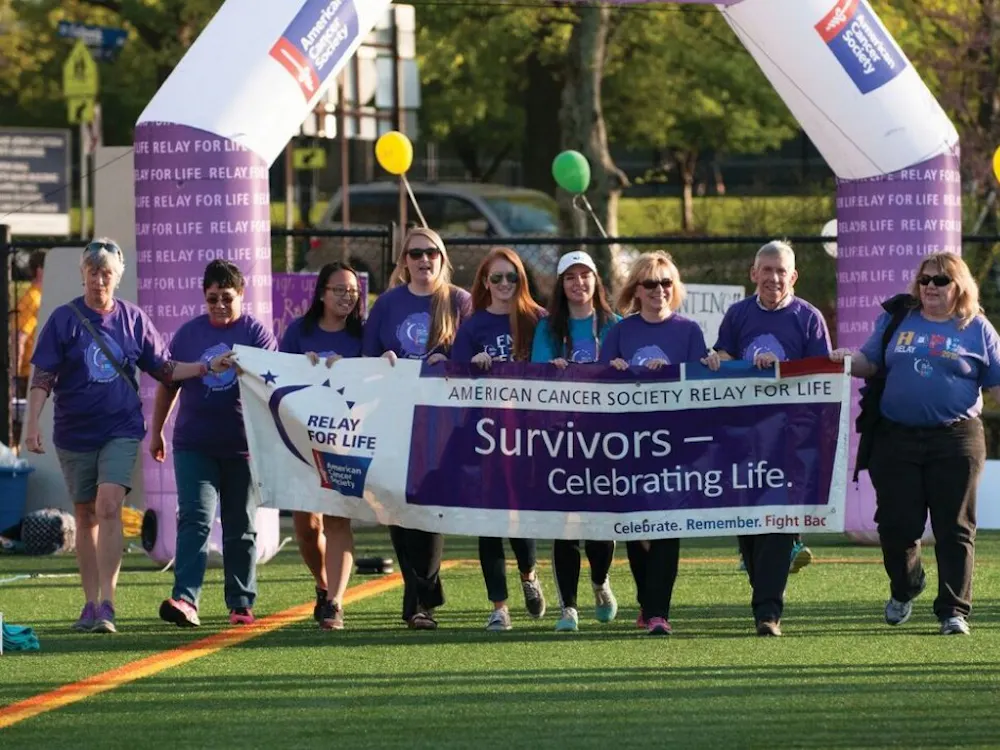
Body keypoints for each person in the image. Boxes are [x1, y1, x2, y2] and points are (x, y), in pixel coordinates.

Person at [24, 239, 232, 634]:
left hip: (119, 429)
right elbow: (43, 378)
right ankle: (88, 604)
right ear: (83, 274)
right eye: (93, 271)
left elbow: (165, 369)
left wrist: (206, 367)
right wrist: (32, 422)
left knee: (108, 506)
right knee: (84, 514)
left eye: (106, 273)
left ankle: (108, 604)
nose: (99, 280)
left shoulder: (132, 320)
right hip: (73, 432)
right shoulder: (64, 320)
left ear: (116, 278)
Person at [831, 252, 1000, 636]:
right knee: (895, 525)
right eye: (925, 280)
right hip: (896, 437)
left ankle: (953, 610)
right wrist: (845, 360)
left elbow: (996, 384)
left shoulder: (977, 328)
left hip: (956, 438)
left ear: (959, 286)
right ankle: (906, 586)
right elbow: (870, 362)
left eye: (940, 280)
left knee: (955, 527)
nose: (930, 287)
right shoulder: (898, 318)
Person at [704, 240, 831, 637]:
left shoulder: (808, 318)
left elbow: (821, 375)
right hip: (744, 436)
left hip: (790, 438)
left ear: (793, 277)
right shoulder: (739, 314)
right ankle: (766, 583)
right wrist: (717, 359)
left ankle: (768, 612)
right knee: (749, 524)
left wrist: (784, 369)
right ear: (753, 273)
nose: (774, 278)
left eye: (781, 271)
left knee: (774, 520)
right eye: (767, 269)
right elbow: (724, 355)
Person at [153, 260, 278, 628]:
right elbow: (168, 382)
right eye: (212, 299)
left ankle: (240, 603)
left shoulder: (257, 334)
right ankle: (185, 599)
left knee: (241, 525)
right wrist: (157, 429)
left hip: (243, 447)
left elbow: (274, 387)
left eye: (227, 297)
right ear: (203, 298)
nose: (220, 305)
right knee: (195, 519)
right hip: (194, 444)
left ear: (242, 295)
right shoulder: (188, 334)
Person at [362, 227, 472, 629]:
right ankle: (426, 592)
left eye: (432, 253)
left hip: (444, 424)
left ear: (443, 260)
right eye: (416, 253)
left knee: (428, 508)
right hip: (394, 417)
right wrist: (381, 360)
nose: (424, 260)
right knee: (396, 505)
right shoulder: (387, 304)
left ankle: (418, 603)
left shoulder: (460, 302)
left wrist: (454, 362)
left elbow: (478, 356)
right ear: (404, 261)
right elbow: (365, 359)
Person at [600, 251, 708, 636]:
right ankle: (647, 603)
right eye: (650, 284)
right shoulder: (619, 332)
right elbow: (597, 388)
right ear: (637, 290)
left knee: (666, 526)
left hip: (674, 446)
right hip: (628, 445)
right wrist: (612, 373)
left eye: (665, 282)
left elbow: (700, 387)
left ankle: (659, 610)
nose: (658, 290)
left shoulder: (690, 331)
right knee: (637, 529)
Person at [452, 247, 547, 631]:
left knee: (518, 517)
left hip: (528, 434)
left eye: (512, 277)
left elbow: (554, 372)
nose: (505, 284)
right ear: (484, 282)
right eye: (497, 278)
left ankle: (528, 575)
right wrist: (472, 367)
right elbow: (457, 376)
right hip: (484, 433)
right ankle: (499, 606)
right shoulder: (473, 326)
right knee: (488, 519)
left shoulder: (539, 320)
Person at [530, 250, 621, 633]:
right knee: (565, 525)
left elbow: (628, 377)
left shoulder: (613, 325)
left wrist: (619, 369)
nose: (578, 283)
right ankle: (568, 607)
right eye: (570, 277)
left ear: (596, 281)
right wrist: (551, 372)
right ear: (561, 285)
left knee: (599, 527)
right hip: (560, 440)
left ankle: (600, 582)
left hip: (603, 440)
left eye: (585, 276)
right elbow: (535, 376)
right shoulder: (548, 329)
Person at [280, 262, 364, 631]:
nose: (347, 296)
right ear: (321, 293)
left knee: (337, 518)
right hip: (302, 441)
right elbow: (279, 377)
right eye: (339, 289)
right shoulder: (300, 332)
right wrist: (303, 368)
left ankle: (335, 603)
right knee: (306, 526)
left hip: (346, 440)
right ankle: (322, 583)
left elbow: (379, 373)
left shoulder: (363, 334)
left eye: (353, 291)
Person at [11, 250, 45, 400]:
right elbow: (19, 339)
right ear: (39, 270)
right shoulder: (32, 298)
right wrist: (14, 377)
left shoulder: (42, 296)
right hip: (27, 376)